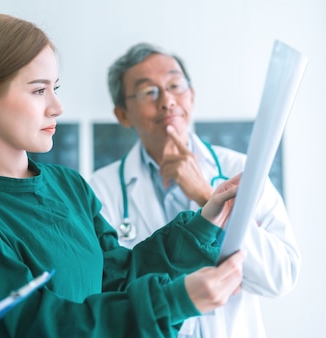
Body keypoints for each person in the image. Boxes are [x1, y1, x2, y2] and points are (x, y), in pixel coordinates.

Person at [0, 13, 247, 338]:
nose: (57, 106)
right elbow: (35, 325)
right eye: (39, 91)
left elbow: (120, 278)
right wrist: (175, 301)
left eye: (55, 88)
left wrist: (203, 224)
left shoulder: (70, 186)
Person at [89, 42, 301, 338]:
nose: (167, 101)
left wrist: (205, 194)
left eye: (175, 85)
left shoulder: (242, 170)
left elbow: (279, 276)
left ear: (192, 95)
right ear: (123, 114)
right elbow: (110, 291)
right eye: (149, 91)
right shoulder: (99, 190)